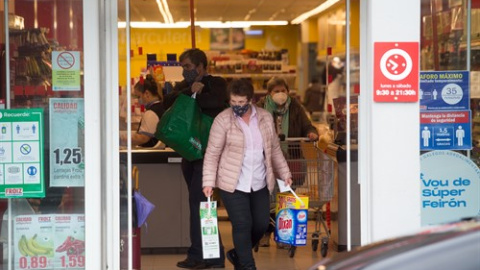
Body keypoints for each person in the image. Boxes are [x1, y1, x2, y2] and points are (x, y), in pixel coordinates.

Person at [202, 79, 293, 270]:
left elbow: (274, 149)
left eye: (241, 103)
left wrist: (285, 173)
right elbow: (212, 153)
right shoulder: (222, 120)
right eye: (233, 103)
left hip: (260, 182)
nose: (237, 107)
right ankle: (247, 265)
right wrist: (208, 182)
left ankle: (237, 254)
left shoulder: (265, 118)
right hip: (232, 183)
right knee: (242, 224)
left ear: (250, 100)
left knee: (260, 224)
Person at [164, 48, 228, 269]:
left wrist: (198, 94)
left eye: (188, 67)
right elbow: (167, 100)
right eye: (183, 67)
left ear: (201, 66)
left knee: (202, 205)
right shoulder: (185, 86)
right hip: (190, 154)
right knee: (197, 205)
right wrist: (190, 90)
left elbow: (216, 102)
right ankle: (199, 254)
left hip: (208, 155)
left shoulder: (216, 83)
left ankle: (211, 256)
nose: (185, 71)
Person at [256, 76, 319, 247]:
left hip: (292, 156)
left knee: (287, 195)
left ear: (288, 91)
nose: (280, 94)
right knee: (267, 198)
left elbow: (307, 125)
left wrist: (311, 133)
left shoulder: (296, 107)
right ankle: (266, 233)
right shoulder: (260, 107)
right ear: (269, 93)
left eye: (283, 90)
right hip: (266, 158)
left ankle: (284, 234)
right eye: (276, 91)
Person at [120, 74, 165, 147]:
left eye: (138, 96)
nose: (138, 100)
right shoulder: (161, 107)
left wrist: (120, 139)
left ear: (146, 93)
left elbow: (143, 138)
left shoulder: (151, 113)